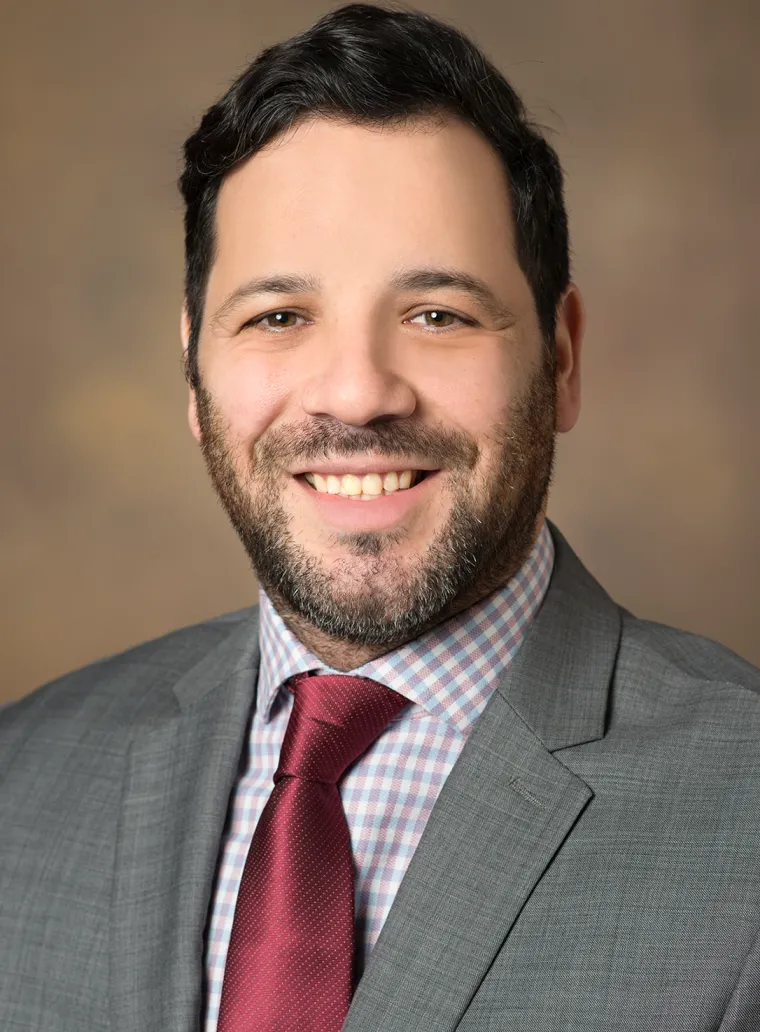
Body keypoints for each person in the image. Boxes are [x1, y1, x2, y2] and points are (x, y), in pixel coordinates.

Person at [2, 3, 759, 1030]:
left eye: (437, 315)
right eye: (278, 317)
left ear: (562, 357)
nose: (357, 394)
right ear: (193, 369)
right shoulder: (25, 776)